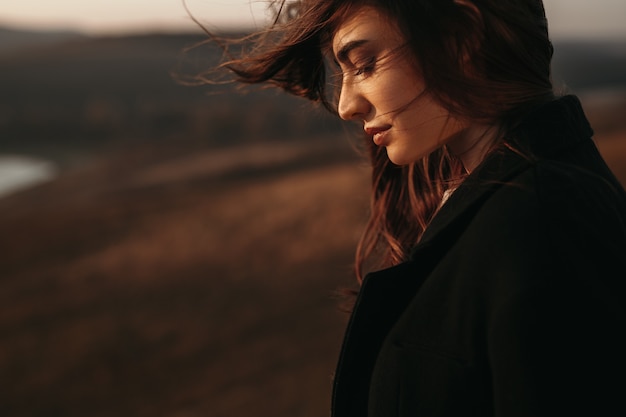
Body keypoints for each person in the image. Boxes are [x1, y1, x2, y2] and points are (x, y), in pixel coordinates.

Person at [202, 0, 626, 415]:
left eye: (365, 63)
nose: (347, 104)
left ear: (461, 39)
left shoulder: (544, 226)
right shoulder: (498, 203)